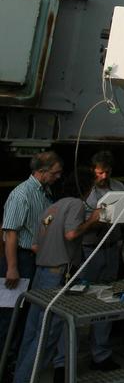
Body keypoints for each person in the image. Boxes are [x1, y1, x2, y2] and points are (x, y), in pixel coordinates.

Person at [0, 171, 102, 383]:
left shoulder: (50, 208)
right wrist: (94, 220)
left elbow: (36, 244)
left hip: (41, 275)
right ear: (86, 189)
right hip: (59, 276)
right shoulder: (77, 204)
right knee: (45, 340)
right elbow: (71, 234)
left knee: (31, 335)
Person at [56, 151, 124, 371]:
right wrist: (96, 221)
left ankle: (101, 354)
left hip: (110, 249)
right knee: (76, 302)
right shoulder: (84, 190)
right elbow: (75, 224)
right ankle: (63, 361)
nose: (103, 176)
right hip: (87, 250)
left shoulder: (120, 188)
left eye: (106, 171)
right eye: (99, 172)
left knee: (107, 299)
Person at [1, 152, 64, 360]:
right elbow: (11, 232)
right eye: (55, 173)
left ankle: (14, 361)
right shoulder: (22, 195)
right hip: (21, 259)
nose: (58, 176)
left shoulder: (45, 192)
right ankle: (4, 363)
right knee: (11, 317)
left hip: (36, 257)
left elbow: (42, 221)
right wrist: (12, 267)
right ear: (42, 172)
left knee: (26, 314)